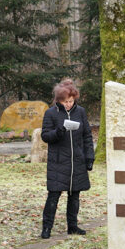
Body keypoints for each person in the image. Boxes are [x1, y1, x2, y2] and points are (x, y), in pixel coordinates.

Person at [39, 78, 94, 239]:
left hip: (77, 160)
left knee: (74, 195)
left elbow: (87, 136)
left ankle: (72, 226)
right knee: (54, 196)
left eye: (70, 101)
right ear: (58, 100)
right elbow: (45, 136)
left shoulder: (80, 112)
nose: (68, 104)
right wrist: (59, 131)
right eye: (65, 102)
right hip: (58, 161)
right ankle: (46, 227)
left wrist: (89, 157)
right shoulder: (50, 113)